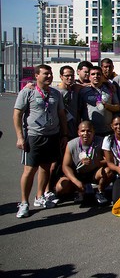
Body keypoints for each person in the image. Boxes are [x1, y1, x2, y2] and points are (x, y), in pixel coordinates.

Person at [14, 64, 68, 217]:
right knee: (30, 170)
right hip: (33, 136)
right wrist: (20, 137)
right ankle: (24, 202)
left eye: (50, 74)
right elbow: (17, 115)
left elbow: (62, 115)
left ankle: (40, 196)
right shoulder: (28, 92)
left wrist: (63, 134)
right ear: (37, 76)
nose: (49, 76)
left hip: (52, 135)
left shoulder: (55, 94)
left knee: (46, 168)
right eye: (45, 74)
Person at [56, 121, 110, 205]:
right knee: (60, 188)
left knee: (108, 171)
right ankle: (78, 192)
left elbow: (110, 160)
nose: (85, 133)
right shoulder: (71, 144)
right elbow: (65, 166)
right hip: (77, 173)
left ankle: (100, 192)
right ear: (78, 132)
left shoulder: (101, 141)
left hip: (94, 173)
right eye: (83, 131)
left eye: (89, 131)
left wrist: (96, 162)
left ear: (93, 132)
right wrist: (75, 181)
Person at [78, 66, 120, 137]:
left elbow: (117, 107)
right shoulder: (83, 91)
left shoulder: (110, 89)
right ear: (89, 77)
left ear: (102, 76)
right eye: (93, 74)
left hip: (108, 130)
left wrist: (107, 106)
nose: (96, 76)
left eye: (98, 74)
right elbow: (79, 111)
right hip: (90, 132)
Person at [54, 65, 80, 139]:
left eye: (72, 75)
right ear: (61, 76)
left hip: (74, 131)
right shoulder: (55, 92)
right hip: (60, 132)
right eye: (67, 76)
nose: (70, 78)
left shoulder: (75, 90)